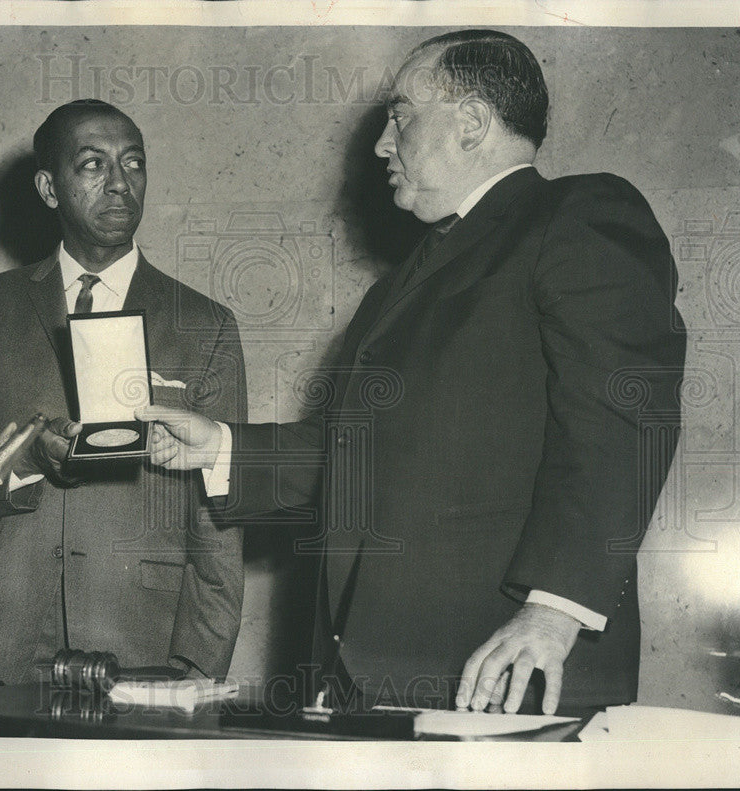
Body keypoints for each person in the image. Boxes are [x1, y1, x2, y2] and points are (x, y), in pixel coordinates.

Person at [138, 30, 685, 713]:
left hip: (506, 671)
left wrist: (554, 611)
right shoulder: (398, 286)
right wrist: (223, 445)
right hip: (362, 679)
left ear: (473, 123)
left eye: (400, 115)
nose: (379, 144)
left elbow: (623, 416)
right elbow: (364, 453)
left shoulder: (577, 217)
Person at [0, 99, 247, 684]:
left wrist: (199, 660)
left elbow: (221, 508)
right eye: (91, 165)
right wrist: (27, 458)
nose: (119, 183)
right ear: (48, 188)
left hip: (145, 642)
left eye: (133, 163)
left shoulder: (205, 324)